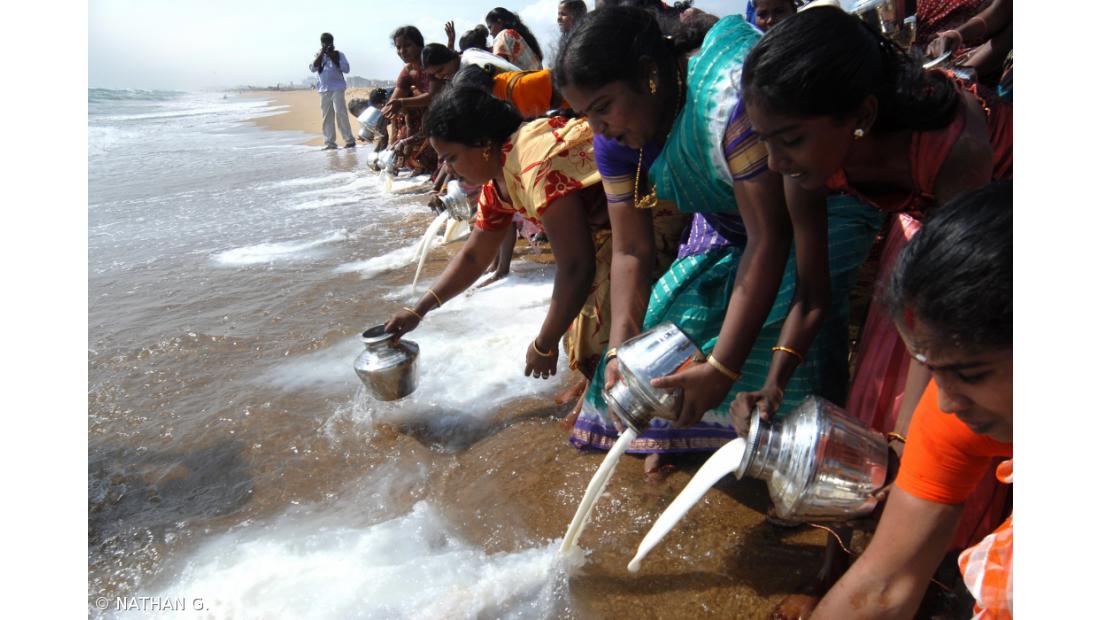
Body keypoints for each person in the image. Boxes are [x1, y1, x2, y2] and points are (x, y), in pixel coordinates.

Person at [737, 6, 1011, 614]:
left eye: (790, 140)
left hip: (991, 234)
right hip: (923, 225)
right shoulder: (800, 162)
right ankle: (843, 565)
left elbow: (949, 324)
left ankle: (953, 565)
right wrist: (773, 383)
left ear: (860, 117)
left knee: (950, 407)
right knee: (869, 399)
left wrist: (908, 440)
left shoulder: (954, 145)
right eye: (765, 141)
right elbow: (812, 292)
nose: (776, 161)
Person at [555, 7, 880, 477]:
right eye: (586, 114)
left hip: (816, 209)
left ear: (649, 76)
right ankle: (692, 437)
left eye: (603, 107)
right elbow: (630, 250)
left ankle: (784, 447)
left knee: (775, 317)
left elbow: (772, 236)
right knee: (667, 333)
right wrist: (619, 352)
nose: (597, 127)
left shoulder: (724, 99)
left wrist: (722, 368)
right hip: (732, 224)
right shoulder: (616, 141)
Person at [804, 181, 1013, 619]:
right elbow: (882, 588)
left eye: (969, 374)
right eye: (931, 369)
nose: (947, 402)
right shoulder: (953, 413)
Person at [383, 87, 617, 384]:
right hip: (605, 235)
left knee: (595, 328)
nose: (448, 170)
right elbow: (474, 255)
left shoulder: (533, 165)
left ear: (482, 143)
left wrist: (543, 344)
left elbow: (576, 266)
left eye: (451, 157)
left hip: (649, 219)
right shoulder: (498, 181)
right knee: (577, 324)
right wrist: (418, 311)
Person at [382, 26, 437, 174]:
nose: (402, 51)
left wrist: (401, 103)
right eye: (398, 47)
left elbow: (433, 96)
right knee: (404, 149)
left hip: (445, 113)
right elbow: (395, 99)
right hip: (426, 117)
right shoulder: (408, 71)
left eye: (407, 46)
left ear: (419, 45)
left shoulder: (431, 63)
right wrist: (384, 115)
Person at [308, 33, 355, 150]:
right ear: (321, 43)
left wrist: (332, 55)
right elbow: (312, 68)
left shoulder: (339, 54)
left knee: (340, 113)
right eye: (324, 42)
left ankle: (349, 140)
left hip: (338, 88)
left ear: (332, 42)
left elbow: (346, 69)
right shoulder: (318, 54)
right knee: (327, 117)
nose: (327, 44)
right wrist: (322, 53)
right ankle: (330, 143)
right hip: (324, 90)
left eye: (329, 42)